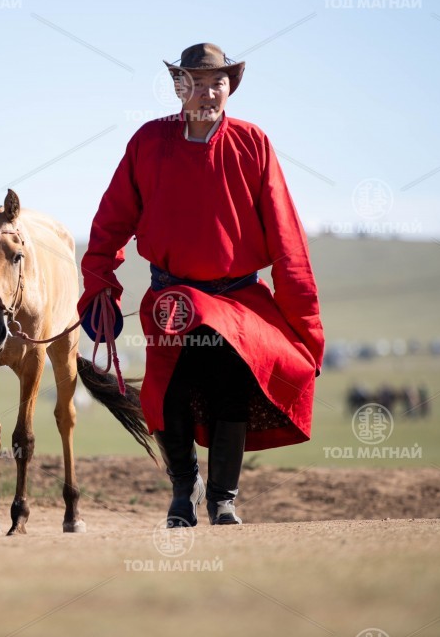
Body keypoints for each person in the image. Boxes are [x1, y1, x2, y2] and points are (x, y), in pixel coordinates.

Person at [77, 43, 325, 527]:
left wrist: (305, 325)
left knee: (231, 385)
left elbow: (287, 237)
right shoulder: (148, 142)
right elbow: (111, 221)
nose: (208, 93)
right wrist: (100, 281)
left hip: (238, 298)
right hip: (172, 296)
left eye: (217, 83)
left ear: (230, 88)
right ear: (178, 87)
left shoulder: (253, 142)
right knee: (169, 392)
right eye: (195, 82)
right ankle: (184, 489)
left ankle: (223, 499)